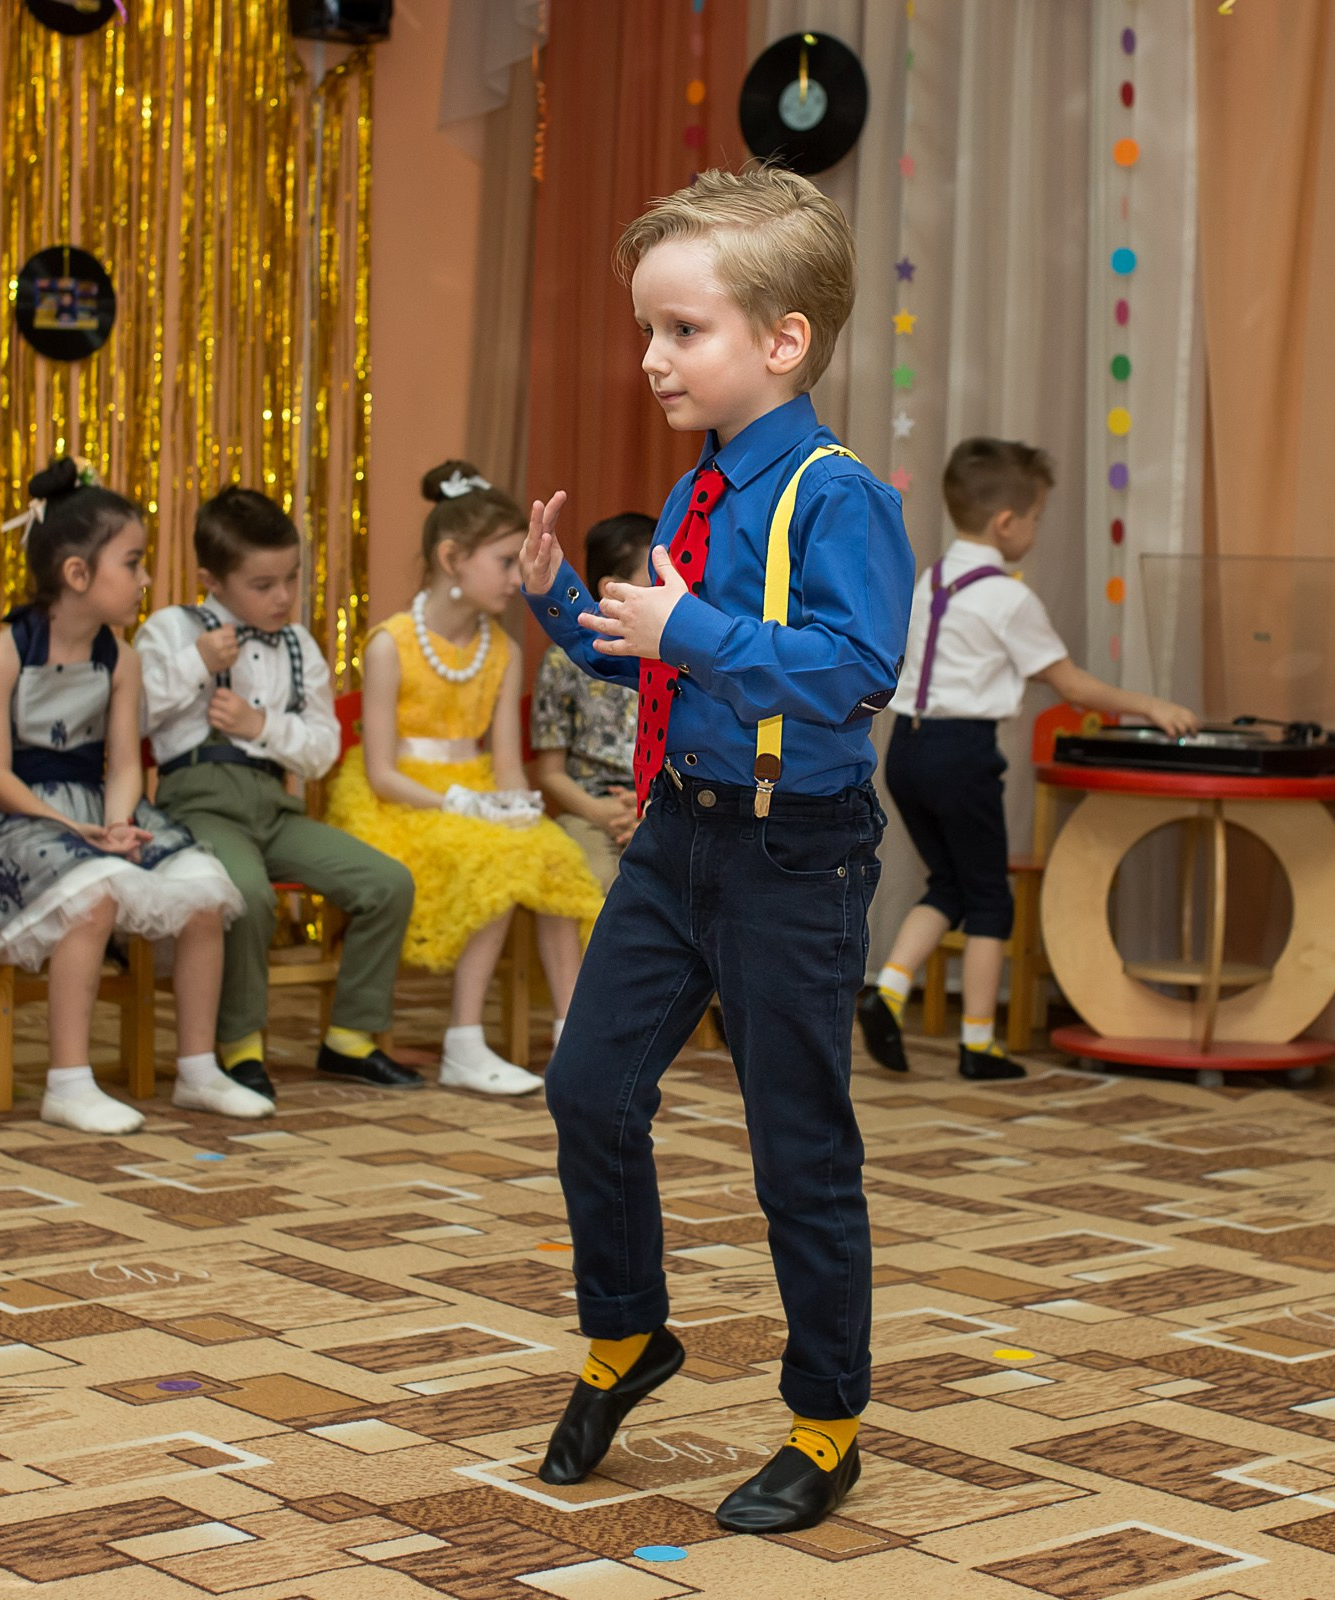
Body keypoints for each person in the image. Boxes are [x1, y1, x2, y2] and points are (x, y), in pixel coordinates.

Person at [520, 165, 908, 1535]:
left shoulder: (835, 491)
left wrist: (685, 632)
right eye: (647, 330)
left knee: (797, 1149)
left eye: (681, 330)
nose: (651, 358)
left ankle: (825, 1423)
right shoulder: (701, 487)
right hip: (678, 834)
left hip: (795, 856)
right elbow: (663, 659)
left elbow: (855, 668)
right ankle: (631, 1338)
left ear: (781, 340)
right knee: (587, 1091)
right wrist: (561, 598)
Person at [859, 438, 1199, 1082]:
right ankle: (979, 1044)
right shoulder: (1008, 597)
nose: (1037, 530)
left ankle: (890, 987)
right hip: (962, 753)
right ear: (1006, 523)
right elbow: (1069, 684)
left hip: (905, 749)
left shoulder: (931, 579)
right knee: (991, 900)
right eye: (1038, 517)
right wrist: (1148, 706)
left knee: (950, 884)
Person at [0, 460, 258, 1133]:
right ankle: (68, 1081)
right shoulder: (5, 653)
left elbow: (122, 765)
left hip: (94, 808)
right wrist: (74, 830)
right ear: (77, 574)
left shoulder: (122, 656)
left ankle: (198, 1070)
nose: (145, 579)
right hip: (15, 818)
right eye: (133, 562)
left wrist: (116, 822)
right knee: (96, 894)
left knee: (205, 888)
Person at [326, 461, 605, 1097]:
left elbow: (506, 759)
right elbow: (380, 772)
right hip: (400, 802)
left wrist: (514, 806)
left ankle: (575, 1037)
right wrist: (462, 805)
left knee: (551, 857)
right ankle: (462, 1041)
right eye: (506, 562)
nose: (518, 578)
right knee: (494, 865)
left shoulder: (501, 651)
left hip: (474, 791)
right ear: (453, 559)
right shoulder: (390, 645)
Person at [137, 486, 421, 1100]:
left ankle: (350, 1037)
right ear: (212, 580)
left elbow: (321, 751)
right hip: (199, 803)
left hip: (275, 806)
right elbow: (131, 715)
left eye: (291, 579)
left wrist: (260, 726)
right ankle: (240, 1047)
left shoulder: (300, 645)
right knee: (247, 895)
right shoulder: (172, 630)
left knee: (386, 884)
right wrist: (193, 663)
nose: (283, 597)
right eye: (262, 585)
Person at [530, 513, 653, 892]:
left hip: (660, 807)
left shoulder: (672, 654)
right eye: (654, 581)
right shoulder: (561, 661)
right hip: (588, 809)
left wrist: (646, 812)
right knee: (597, 881)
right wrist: (601, 812)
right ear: (613, 589)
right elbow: (550, 771)